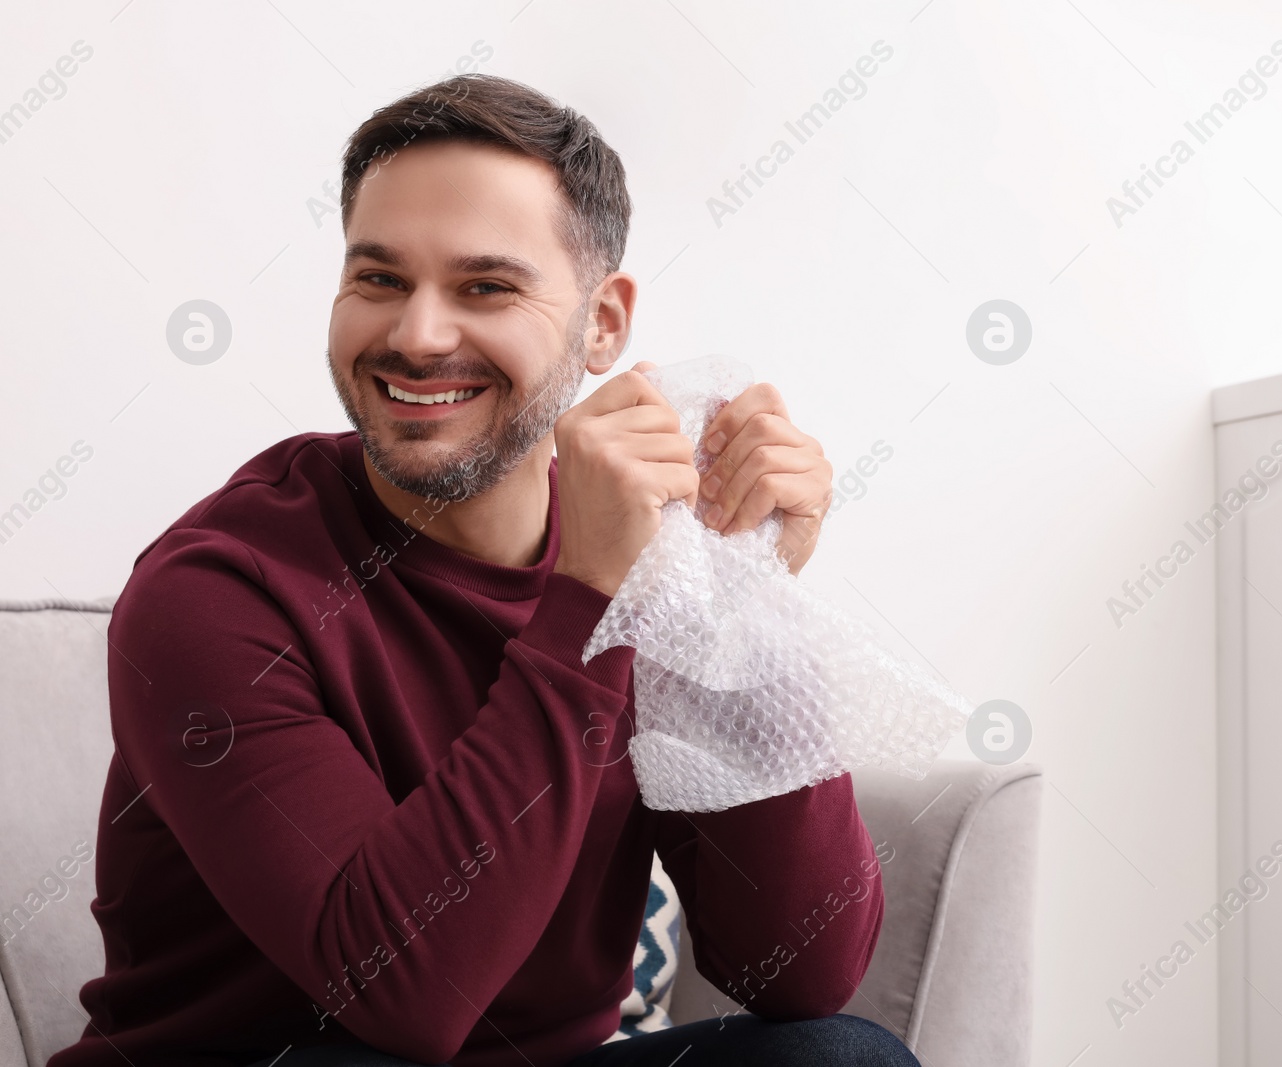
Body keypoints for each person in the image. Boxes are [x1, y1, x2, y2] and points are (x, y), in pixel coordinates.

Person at [47, 74, 918, 1067]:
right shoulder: (213, 592)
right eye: (378, 279)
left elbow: (798, 970)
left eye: (485, 287)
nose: (417, 335)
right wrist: (583, 596)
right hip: (281, 1058)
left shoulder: (648, 550)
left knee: (838, 1057)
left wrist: (740, 593)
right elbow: (401, 993)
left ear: (603, 322)